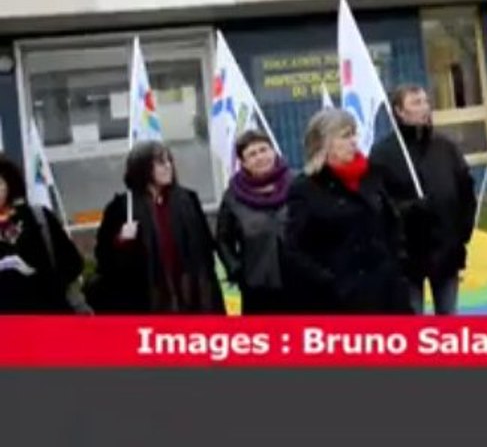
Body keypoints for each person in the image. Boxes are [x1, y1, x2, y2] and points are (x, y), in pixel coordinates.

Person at [283, 108, 412, 314]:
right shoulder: (306, 188)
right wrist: (329, 282)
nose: (354, 141)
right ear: (324, 143)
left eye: (354, 134)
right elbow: (295, 250)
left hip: (387, 295)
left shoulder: (372, 176)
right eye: (345, 136)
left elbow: (391, 225)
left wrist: (397, 268)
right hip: (337, 302)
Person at [370, 84, 476, 315]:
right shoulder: (383, 154)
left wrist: (463, 232)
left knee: (448, 317)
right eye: (416, 103)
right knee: (411, 318)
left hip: (446, 250)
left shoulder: (445, 147)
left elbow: (466, 189)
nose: (424, 108)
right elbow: (377, 203)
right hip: (406, 255)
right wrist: (409, 209)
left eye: (425, 102)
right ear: (399, 111)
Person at [88, 141, 225, 314]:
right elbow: (104, 259)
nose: (168, 167)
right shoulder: (123, 207)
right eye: (161, 162)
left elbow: (205, 249)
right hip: (147, 301)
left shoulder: (187, 200)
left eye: (169, 161)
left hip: (191, 296)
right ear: (142, 167)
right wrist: (121, 240)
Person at [216, 129, 293, 314]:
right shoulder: (233, 197)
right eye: (252, 154)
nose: (260, 157)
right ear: (243, 163)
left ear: (273, 152)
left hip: (300, 282)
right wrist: (236, 270)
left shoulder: (297, 184)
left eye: (263, 150)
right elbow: (222, 240)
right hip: (258, 286)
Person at [0, 153, 84, 314]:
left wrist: (33, 272)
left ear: (9, 183)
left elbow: (72, 264)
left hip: (47, 317)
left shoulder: (37, 217)